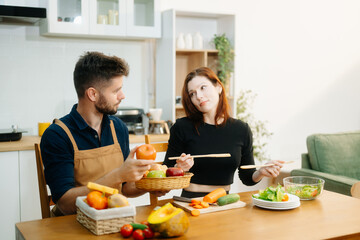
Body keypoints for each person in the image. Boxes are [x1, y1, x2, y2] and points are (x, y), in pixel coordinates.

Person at [41, 51, 157, 216]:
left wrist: (153, 186)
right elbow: (65, 204)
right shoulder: (57, 135)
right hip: (72, 224)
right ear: (92, 94)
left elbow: (125, 188)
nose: (122, 96)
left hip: (112, 219)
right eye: (116, 91)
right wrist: (117, 175)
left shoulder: (118, 128)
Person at [163, 67, 284, 198]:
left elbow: (247, 177)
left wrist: (261, 172)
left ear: (218, 87)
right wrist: (179, 168)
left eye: (203, 87)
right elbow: (165, 174)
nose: (198, 96)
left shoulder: (241, 129)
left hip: (225, 202)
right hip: (191, 201)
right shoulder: (181, 127)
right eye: (192, 93)